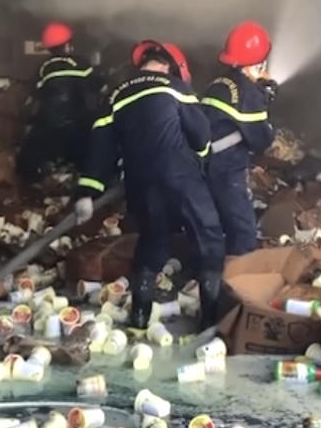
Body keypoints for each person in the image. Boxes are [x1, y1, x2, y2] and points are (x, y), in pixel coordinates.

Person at [73, 40, 225, 330]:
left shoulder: (116, 95)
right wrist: (203, 158)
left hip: (140, 183)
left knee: (152, 241)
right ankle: (210, 321)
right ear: (169, 67)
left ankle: (140, 317)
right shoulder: (175, 87)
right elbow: (200, 133)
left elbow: (100, 148)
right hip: (180, 177)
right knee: (209, 237)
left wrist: (87, 192)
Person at [201, 21, 278, 256]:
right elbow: (260, 140)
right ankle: (237, 272)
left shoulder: (219, 83)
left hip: (203, 164)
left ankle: (213, 264)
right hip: (226, 169)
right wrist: (263, 99)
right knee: (243, 230)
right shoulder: (248, 94)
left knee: (214, 224)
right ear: (256, 64)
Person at [16, 22, 102, 183]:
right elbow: (95, 89)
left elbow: (34, 97)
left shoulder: (43, 67)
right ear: (68, 45)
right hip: (80, 127)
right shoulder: (82, 64)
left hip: (49, 126)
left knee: (26, 164)